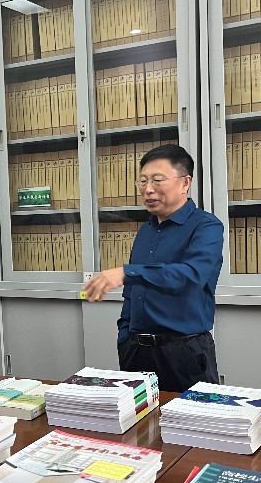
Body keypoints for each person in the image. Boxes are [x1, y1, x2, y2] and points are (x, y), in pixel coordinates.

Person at [83, 144, 223, 393]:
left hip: (183, 352)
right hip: (136, 352)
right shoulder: (146, 230)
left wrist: (127, 272)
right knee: (137, 418)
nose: (148, 189)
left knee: (189, 417)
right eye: (143, 181)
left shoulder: (206, 227)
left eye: (157, 180)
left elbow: (192, 275)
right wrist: (125, 336)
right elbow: (133, 294)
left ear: (185, 183)